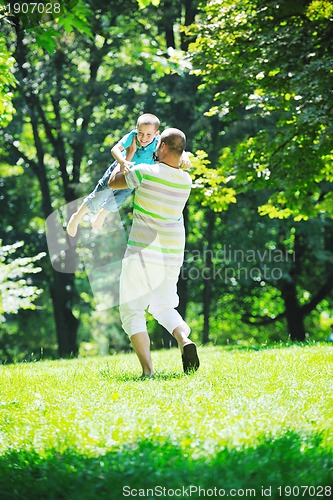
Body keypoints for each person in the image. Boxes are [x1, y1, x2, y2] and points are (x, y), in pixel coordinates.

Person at [108, 128, 199, 377]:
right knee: (163, 305)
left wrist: (129, 154)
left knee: (131, 310)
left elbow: (112, 182)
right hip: (171, 253)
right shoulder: (185, 180)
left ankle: (148, 371)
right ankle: (184, 340)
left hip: (142, 252)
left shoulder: (143, 172)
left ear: (162, 148)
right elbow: (176, 163)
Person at [66, 113, 191, 237]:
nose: (143, 138)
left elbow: (177, 147)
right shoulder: (132, 137)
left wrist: (184, 157)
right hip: (121, 169)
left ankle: (102, 214)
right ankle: (77, 217)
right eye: (141, 133)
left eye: (149, 134)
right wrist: (122, 161)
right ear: (136, 130)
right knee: (99, 195)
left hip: (133, 176)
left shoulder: (158, 141)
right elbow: (115, 149)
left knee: (119, 198)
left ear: (156, 134)